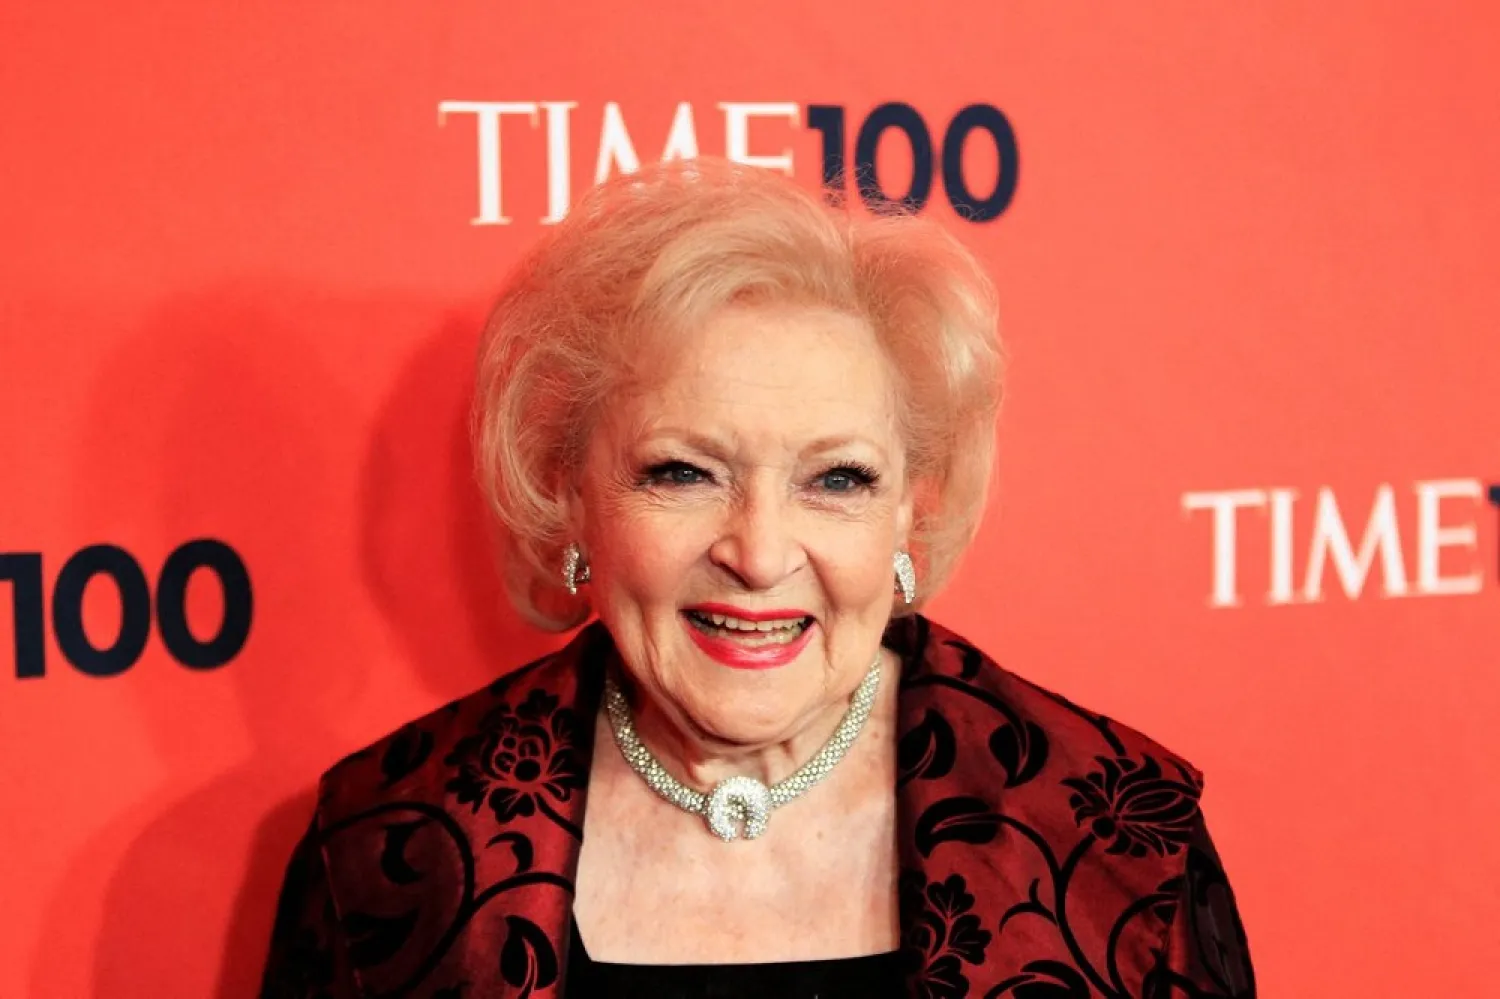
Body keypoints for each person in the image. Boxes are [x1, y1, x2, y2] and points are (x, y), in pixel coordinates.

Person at [258, 158, 1255, 999]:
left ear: (915, 506)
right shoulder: (393, 853)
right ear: (569, 493)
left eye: (838, 479)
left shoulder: (1122, 848)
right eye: (682, 472)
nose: (761, 552)